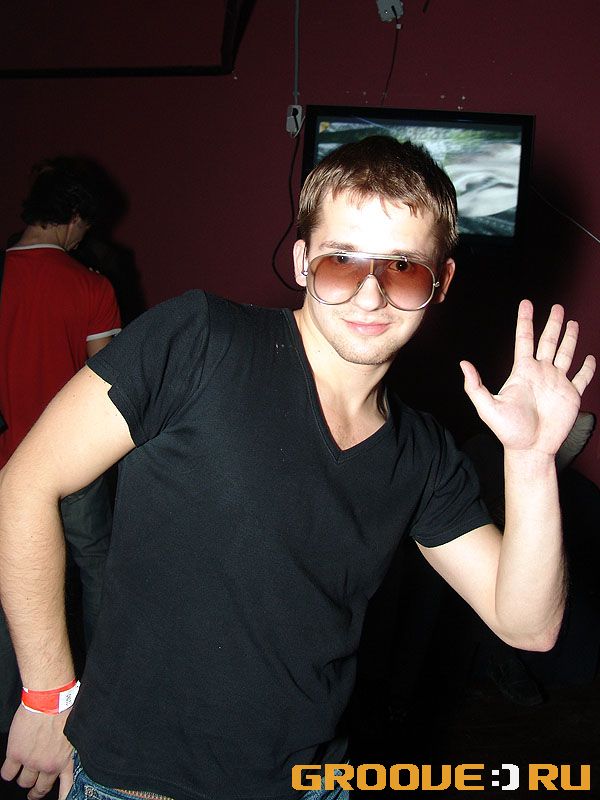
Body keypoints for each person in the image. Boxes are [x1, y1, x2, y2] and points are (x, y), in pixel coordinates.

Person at [0, 137, 595, 800]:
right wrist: (47, 693)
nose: (370, 295)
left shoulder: (423, 455)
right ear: (302, 262)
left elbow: (528, 625)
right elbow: (26, 482)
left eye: (402, 268)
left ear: (441, 283)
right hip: (141, 785)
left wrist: (531, 460)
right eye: (342, 262)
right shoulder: (200, 340)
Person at [0, 157, 121, 731]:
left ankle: (14, 707)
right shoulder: (91, 287)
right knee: (96, 570)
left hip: (5, 464)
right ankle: (95, 697)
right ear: (74, 217)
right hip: (73, 464)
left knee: (11, 584)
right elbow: (110, 386)